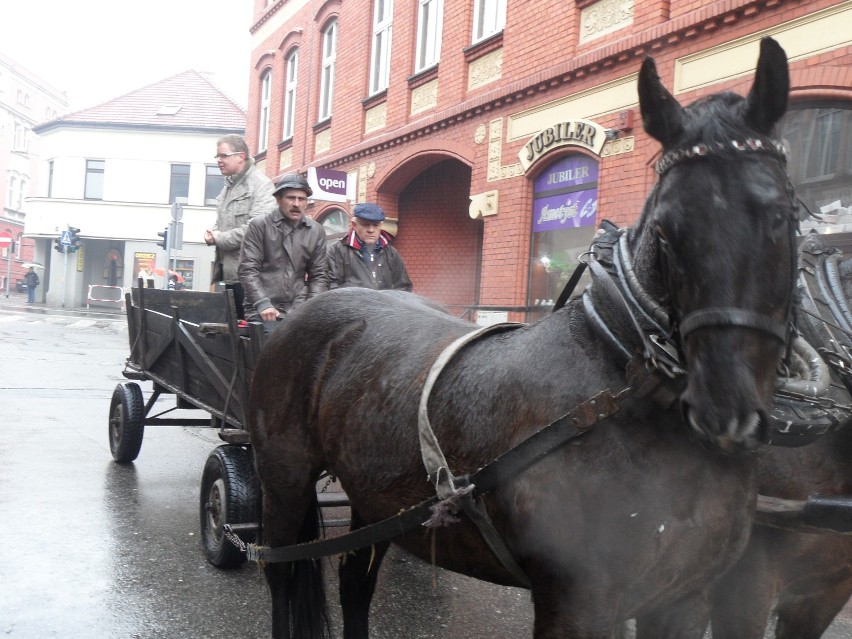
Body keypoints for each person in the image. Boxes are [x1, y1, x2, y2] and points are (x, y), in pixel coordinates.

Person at [239, 173, 328, 325]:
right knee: (273, 343)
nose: (296, 204)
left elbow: (319, 275)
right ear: (279, 200)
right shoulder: (260, 225)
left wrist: (312, 308)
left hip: (299, 310)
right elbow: (248, 270)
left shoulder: (315, 231)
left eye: (301, 199)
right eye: (291, 198)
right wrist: (262, 303)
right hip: (262, 309)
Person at [204, 134, 275, 319]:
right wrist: (213, 231)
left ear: (240, 156)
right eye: (217, 157)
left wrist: (218, 238)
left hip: (251, 278)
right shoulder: (229, 186)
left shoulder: (261, 186)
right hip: (232, 274)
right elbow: (224, 221)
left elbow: (255, 231)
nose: (219, 160)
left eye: (223, 156)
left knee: (249, 334)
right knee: (235, 333)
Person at [327, 202, 413, 292]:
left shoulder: (391, 253)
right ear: (354, 224)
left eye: (375, 225)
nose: (371, 230)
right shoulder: (337, 251)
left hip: (385, 305)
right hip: (352, 305)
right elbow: (333, 288)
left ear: (381, 225)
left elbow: (404, 287)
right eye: (365, 224)